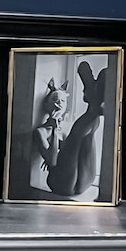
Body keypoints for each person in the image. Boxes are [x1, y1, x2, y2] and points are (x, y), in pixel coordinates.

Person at [34, 62, 106, 198]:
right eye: (55, 99)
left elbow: (70, 155)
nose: (59, 103)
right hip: (60, 184)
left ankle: (93, 101)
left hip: (83, 180)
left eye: (63, 101)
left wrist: (60, 143)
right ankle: (94, 102)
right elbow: (52, 161)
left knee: (87, 134)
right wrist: (54, 130)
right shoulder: (40, 131)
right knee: (80, 131)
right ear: (46, 105)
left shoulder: (67, 129)